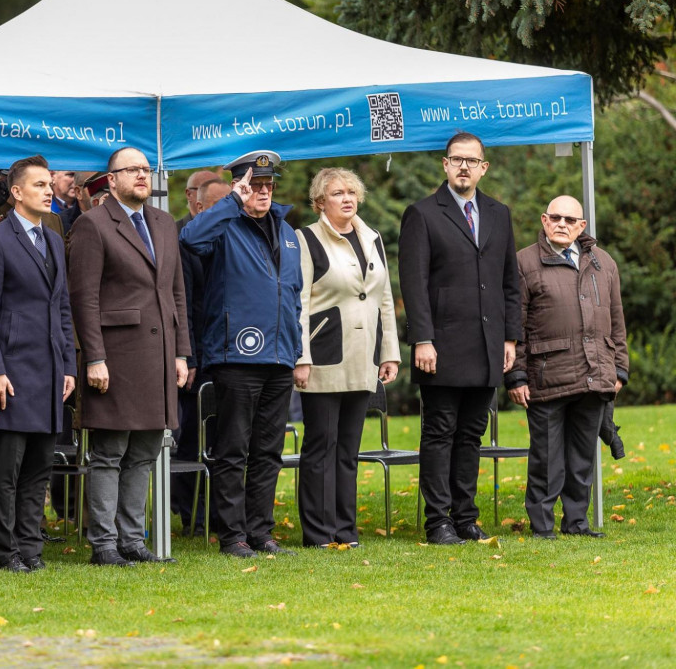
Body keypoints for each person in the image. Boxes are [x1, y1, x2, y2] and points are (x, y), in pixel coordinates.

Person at [68, 147, 190, 566]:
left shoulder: (163, 222)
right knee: (109, 453)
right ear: (111, 179)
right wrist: (94, 358)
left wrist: (182, 353)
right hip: (116, 356)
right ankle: (104, 544)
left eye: (145, 169)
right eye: (132, 170)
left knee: (145, 451)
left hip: (159, 355)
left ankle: (132, 541)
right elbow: (83, 299)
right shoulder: (93, 225)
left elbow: (176, 294)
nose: (142, 175)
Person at [399, 132, 521, 545]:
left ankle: (465, 517)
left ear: (484, 167)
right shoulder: (422, 214)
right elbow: (413, 284)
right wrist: (422, 339)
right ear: (445, 165)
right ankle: (438, 522)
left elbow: (509, 282)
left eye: (472, 160)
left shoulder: (499, 214)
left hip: (488, 345)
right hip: (442, 346)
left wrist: (510, 338)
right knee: (439, 433)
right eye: (457, 159)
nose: (464, 166)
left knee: (471, 436)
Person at [179, 151, 303, 558]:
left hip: (280, 354)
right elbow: (189, 239)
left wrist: (295, 348)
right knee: (232, 450)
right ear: (239, 186)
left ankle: (261, 531)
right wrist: (233, 201)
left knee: (268, 451)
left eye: (268, 186)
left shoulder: (286, 230)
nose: (263, 193)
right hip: (237, 354)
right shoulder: (224, 225)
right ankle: (231, 535)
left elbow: (294, 294)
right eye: (255, 186)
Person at [0, 156, 76, 573]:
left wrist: (68, 364)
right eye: (39, 185)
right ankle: (6, 552)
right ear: (16, 192)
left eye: (50, 184)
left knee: (38, 470)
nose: (49, 191)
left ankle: (31, 550)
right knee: (7, 471)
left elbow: (62, 307)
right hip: (12, 372)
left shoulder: (52, 240)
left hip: (49, 372)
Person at [505, 195, 628, 539]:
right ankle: (542, 526)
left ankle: (577, 523)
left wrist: (620, 369)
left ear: (582, 226)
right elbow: (514, 326)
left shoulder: (603, 263)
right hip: (545, 377)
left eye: (570, 220)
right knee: (546, 460)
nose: (562, 224)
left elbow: (616, 320)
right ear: (544, 220)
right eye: (555, 218)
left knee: (581, 459)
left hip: (595, 374)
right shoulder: (523, 263)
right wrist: (516, 375)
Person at [293, 168, 400, 548]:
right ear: (320, 201)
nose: (347, 198)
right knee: (321, 445)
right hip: (323, 356)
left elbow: (383, 298)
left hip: (364, 358)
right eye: (338, 193)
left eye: (352, 191)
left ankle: (345, 530)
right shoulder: (305, 239)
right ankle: (319, 534)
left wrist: (389, 353)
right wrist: (300, 357)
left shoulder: (372, 237)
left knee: (349, 449)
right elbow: (299, 301)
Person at [173, 174, 230, 535]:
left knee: (225, 439)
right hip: (196, 355)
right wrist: (188, 356)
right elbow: (184, 305)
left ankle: (218, 513)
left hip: (230, 355)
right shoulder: (182, 238)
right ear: (197, 206)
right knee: (190, 440)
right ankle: (191, 515)